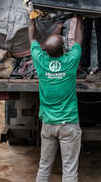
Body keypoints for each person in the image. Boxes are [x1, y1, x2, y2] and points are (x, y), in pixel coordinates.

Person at [28, 11, 83, 182]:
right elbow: (78, 40)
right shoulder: (70, 61)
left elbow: (32, 39)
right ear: (64, 49)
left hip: (48, 124)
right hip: (68, 124)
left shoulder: (41, 61)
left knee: (44, 167)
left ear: (46, 50)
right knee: (69, 170)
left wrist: (31, 17)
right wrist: (79, 18)